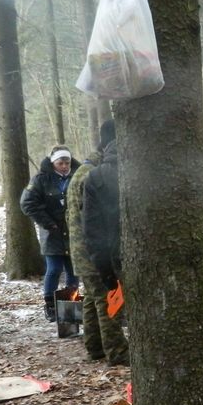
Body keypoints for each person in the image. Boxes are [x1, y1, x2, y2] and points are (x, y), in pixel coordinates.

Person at [67, 121, 129, 366]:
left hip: (82, 249)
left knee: (93, 299)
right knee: (106, 299)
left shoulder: (83, 171)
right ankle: (116, 350)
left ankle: (94, 346)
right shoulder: (93, 174)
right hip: (92, 248)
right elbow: (94, 219)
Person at [21, 147, 80, 321]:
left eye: (67, 162)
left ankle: (71, 305)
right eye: (60, 163)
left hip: (74, 232)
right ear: (53, 163)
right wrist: (48, 223)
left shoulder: (77, 176)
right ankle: (50, 306)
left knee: (74, 270)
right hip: (52, 232)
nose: (64, 166)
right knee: (54, 269)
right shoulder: (41, 179)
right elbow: (27, 203)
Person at [82, 123, 122, 295]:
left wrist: (105, 272)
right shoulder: (153, 169)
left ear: (105, 146)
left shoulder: (95, 176)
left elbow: (93, 230)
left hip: (117, 259)